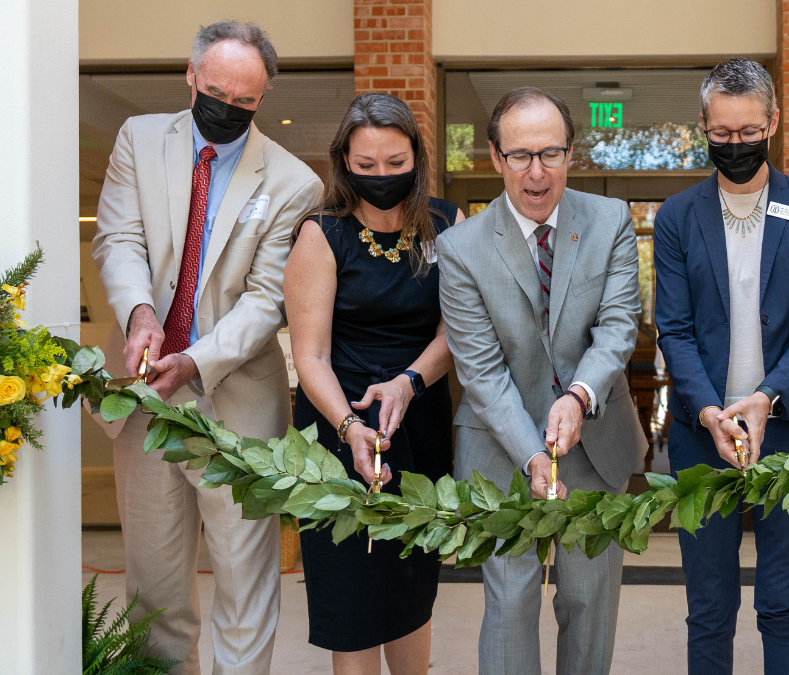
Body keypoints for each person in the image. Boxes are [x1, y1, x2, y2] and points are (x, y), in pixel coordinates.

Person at [90, 21, 322, 674]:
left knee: (246, 589)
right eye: (216, 91)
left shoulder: (292, 182)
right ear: (190, 76)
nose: (225, 109)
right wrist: (140, 313)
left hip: (237, 404)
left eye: (243, 103)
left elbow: (264, 301)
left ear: (262, 100)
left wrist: (193, 359)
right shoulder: (139, 139)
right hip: (140, 396)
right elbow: (119, 239)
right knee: (155, 591)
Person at [436, 86, 647, 675]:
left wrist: (580, 396)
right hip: (502, 450)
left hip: (594, 443)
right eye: (521, 155)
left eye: (550, 154)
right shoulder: (460, 248)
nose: (536, 172)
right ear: (496, 157)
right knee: (510, 605)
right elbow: (479, 370)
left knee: (589, 605)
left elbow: (618, 325)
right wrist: (532, 453)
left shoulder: (608, 221)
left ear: (571, 154)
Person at [653, 59, 789, 675]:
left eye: (749, 132)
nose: (736, 145)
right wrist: (711, 410)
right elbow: (674, 328)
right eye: (723, 133)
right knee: (709, 607)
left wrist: (767, 397)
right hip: (699, 432)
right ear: (703, 125)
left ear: (774, 124)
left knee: (785, 605)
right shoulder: (679, 215)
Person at [284, 92, 462, 675]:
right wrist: (349, 426)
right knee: (354, 596)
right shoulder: (320, 234)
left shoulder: (447, 223)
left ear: (417, 157)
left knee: (412, 584)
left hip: (420, 419)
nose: (382, 177)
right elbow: (309, 356)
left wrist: (411, 381)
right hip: (340, 429)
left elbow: (457, 331)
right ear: (344, 164)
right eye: (366, 167)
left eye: (395, 163)